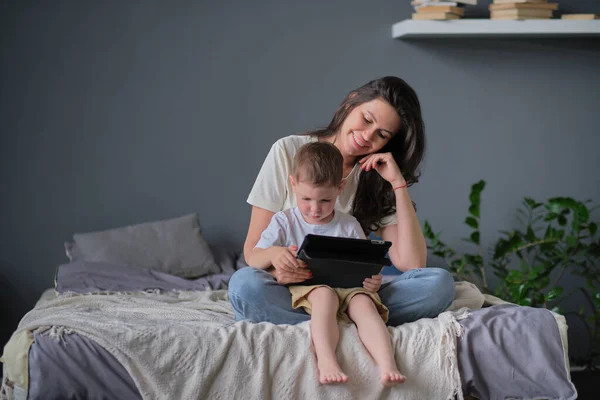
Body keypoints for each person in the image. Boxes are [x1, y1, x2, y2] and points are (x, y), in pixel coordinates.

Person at [229, 76, 455, 327]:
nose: (367, 136)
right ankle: (351, 323)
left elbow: (412, 264)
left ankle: (333, 321)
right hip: (293, 293)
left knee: (439, 285)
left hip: (353, 295)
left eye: (381, 134)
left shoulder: (377, 175)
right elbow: (253, 253)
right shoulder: (288, 151)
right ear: (350, 105)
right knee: (244, 285)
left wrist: (398, 184)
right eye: (366, 119)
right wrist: (277, 273)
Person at [247, 142, 406, 386]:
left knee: (365, 304)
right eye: (306, 198)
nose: (314, 209)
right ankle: (326, 359)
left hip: (349, 287)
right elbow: (254, 258)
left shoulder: (349, 224)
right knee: (324, 297)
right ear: (293, 185)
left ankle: (387, 364)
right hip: (312, 287)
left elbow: (366, 262)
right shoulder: (284, 221)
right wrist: (274, 253)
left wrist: (373, 280)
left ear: (340, 188)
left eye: (325, 200)